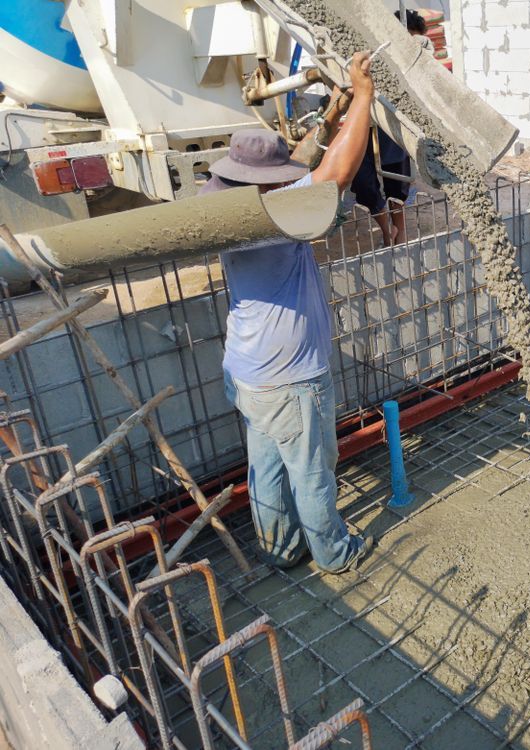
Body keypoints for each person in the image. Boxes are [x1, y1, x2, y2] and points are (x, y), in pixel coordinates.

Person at [202, 52, 375, 574]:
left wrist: (329, 117)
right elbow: (334, 175)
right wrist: (363, 96)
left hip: (248, 375)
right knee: (312, 473)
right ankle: (334, 552)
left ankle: (281, 551)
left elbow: (297, 167)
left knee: (268, 469)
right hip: (292, 382)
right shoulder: (276, 217)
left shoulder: (227, 211)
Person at [350, 9, 428, 247]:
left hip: (394, 130)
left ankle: (400, 237)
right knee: (365, 185)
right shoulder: (372, 54)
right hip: (366, 125)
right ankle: (388, 230)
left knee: (398, 188)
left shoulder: (414, 62)